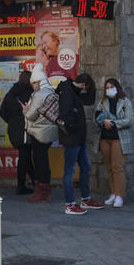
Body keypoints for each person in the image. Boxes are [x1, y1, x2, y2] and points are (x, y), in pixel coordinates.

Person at [57, 73, 103, 215]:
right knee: (70, 170)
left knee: (85, 166)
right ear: (83, 84)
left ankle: (85, 199)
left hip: (79, 138)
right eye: (86, 87)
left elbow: (89, 100)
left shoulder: (74, 92)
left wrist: (92, 89)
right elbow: (66, 115)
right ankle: (70, 204)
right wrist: (72, 129)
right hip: (72, 138)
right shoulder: (67, 93)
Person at [95, 78, 134, 208]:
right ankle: (113, 192)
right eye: (107, 87)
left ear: (117, 87)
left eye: (111, 87)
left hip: (120, 138)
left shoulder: (125, 102)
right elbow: (97, 116)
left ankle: (119, 195)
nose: (109, 89)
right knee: (110, 167)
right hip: (105, 138)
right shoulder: (103, 102)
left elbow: (129, 120)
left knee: (118, 167)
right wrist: (103, 121)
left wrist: (113, 123)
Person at [22, 63, 58, 203]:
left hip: (39, 132)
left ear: (37, 82)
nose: (33, 86)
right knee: (44, 160)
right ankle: (46, 192)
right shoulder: (52, 92)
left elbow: (31, 116)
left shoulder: (39, 95)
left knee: (40, 161)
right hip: (49, 132)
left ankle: (42, 193)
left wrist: (25, 109)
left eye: (33, 83)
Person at [0, 70, 35, 195]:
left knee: (25, 155)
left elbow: (2, 112)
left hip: (13, 128)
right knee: (24, 156)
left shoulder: (10, 93)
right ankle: (20, 186)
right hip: (25, 127)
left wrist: (13, 122)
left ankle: (35, 181)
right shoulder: (31, 92)